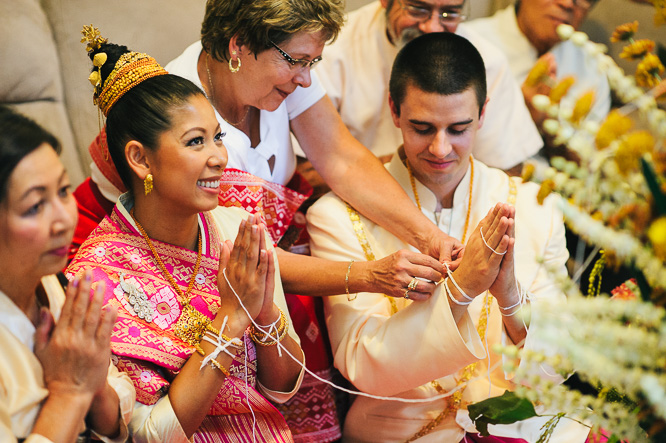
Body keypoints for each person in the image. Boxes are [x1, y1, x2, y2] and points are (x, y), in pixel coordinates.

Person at [72, 2, 455, 440]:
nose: (306, 78)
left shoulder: (275, 83)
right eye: (296, 61)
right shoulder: (182, 117)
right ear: (238, 47)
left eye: (314, 62)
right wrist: (368, 276)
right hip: (158, 265)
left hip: (248, 269)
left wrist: (428, 235)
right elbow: (237, 250)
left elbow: (341, 158)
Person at [307, 33, 590, 442]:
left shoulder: (534, 206)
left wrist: (510, 298)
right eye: (423, 128)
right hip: (399, 432)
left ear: (483, 114)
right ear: (394, 111)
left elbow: (559, 367)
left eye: (458, 128)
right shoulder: (335, 214)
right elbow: (361, 365)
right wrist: (458, 291)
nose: (441, 148)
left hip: (521, 426)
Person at [68, 30, 305, 441]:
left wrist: (263, 311)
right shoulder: (94, 281)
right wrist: (230, 320)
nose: (219, 157)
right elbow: (148, 434)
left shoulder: (235, 228)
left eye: (218, 137)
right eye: (196, 142)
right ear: (140, 159)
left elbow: (282, 390)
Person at [0, 106, 134, 443]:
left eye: (62, 191)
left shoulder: (55, 284)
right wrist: (70, 392)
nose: (63, 221)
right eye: (34, 206)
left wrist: (96, 388)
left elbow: (113, 412)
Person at [315, 0, 543, 173]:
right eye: (417, 9)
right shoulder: (330, 52)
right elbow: (306, 177)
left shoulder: (488, 63)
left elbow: (507, 173)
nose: (433, 27)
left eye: (449, 13)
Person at [466, 0, 611, 126]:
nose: (566, 3)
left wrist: (551, 134)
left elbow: (592, 154)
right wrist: (520, 116)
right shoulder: (469, 44)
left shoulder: (593, 64)